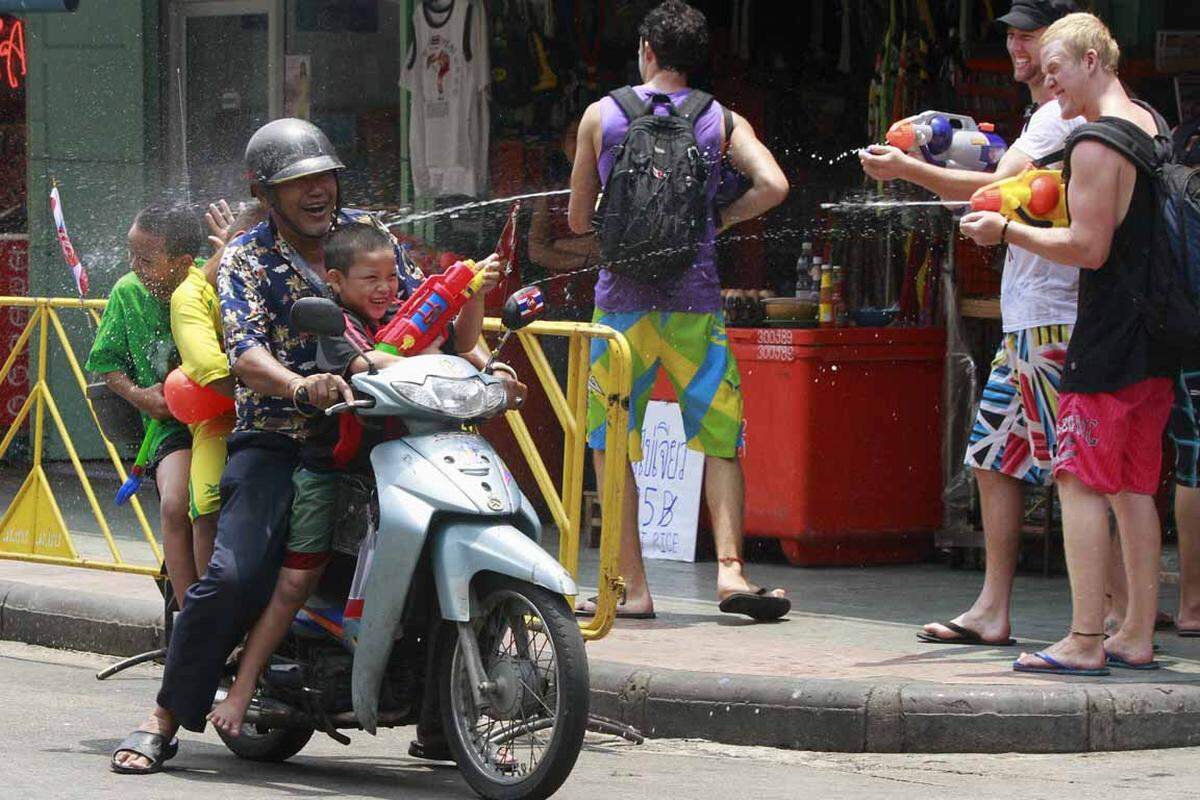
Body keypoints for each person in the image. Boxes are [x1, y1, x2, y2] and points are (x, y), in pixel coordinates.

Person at [111, 118, 521, 774]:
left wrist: (482, 361)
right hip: (281, 437)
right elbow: (242, 351)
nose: (316, 191)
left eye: (323, 176)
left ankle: (448, 716)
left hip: (390, 428)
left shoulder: (371, 236)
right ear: (266, 192)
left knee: (458, 535)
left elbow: (423, 311)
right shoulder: (248, 255)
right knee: (238, 572)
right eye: (298, 181)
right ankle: (164, 713)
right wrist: (300, 387)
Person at [207, 221, 503, 737]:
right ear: (338, 283)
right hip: (337, 471)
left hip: (408, 464)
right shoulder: (335, 327)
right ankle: (241, 688)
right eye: (371, 278)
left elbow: (465, 341)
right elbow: (373, 363)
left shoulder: (408, 316)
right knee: (296, 580)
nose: (386, 288)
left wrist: (472, 294)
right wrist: (434, 360)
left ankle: (444, 721)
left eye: (392, 276)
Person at [860, 0, 1083, 647]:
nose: (1018, 46)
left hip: (1050, 323)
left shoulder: (1053, 118)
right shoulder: (1043, 118)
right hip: (1027, 324)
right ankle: (994, 607)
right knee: (990, 457)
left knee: (1076, 476)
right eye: (1012, 35)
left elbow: (983, 193)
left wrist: (905, 169)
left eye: (1030, 35)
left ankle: (1112, 619)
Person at [960, 12, 1177, 674]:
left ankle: (1085, 637)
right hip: (1155, 340)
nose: (1047, 80)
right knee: (1135, 488)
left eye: (1057, 67)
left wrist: (1008, 233)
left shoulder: (1094, 143)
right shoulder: (1152, 125)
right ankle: (1135, 633)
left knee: (1078, 477)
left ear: (1094, 60)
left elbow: (1088, 246)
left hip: (1106, 335)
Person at [567, 0, 790, 621]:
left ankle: (630, 588)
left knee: (612, 442)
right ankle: (730, 573)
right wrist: (717, 217)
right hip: (696, 310)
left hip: (621, 315)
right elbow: (773, 186)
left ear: (646, 49)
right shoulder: (719, 119)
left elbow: (579, 219)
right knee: (718, 437)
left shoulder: (601, 115)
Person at [86, 203, 206, 610]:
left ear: (185, 263)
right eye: (131, 255)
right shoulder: (128, 292)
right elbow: (105, 364)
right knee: (176, 503)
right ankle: (192, 618)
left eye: (147, 260)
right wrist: (142, 397)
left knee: (212, 506)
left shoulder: (211, 284)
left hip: (223, 421)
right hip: (170, 428)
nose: (134, 267)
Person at [166, 200, 264, 578]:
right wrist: (283, 386)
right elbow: (209, 369)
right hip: (221, 414)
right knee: (207, 498)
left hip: (284, 415)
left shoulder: (266, 281)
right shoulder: (189, 296)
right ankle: (211, 612)